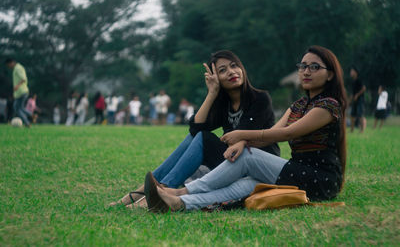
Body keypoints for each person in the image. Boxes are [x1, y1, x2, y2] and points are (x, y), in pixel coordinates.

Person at [144, 45, 348, 212]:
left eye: (314, 67)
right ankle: (180, 204)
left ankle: (179, 192)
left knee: (247, 156)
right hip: (294, 172)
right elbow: (268, 138)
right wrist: (242, 140)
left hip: (320, 180)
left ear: (330, 75)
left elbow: (286, 133)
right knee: (246, 186)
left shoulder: (328, 105)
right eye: (303, 66)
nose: (306, 71)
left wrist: (242, 136)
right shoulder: (298, 106)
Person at [109, 50, 280, 208]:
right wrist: (212, 93)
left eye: (234, 66)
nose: (231, 72)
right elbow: (194, 128)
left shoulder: (260, 98)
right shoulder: (224, 105)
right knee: (197, 136)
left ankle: (163, 191)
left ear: (242, 68)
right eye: (222, 70)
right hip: (233, 162)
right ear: (217, 78)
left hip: (257, 167)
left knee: (204, 138)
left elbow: (240, 135)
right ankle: (147, 189)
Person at [5, 58, 31, 127]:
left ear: (11, 63)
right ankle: (32, 115)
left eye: (8, 65)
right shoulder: (18, 68)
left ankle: (27, 123)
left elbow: (23, 78)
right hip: (21, 92)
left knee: (16, 108)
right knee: (21, 108)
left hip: (21, 91)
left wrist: (17, 86)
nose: (9, 67)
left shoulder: (18, 68)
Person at [350, 66, 366, 133]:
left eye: (352, 71)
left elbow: (364, 88)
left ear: (355, 72)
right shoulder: (353, 81)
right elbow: (353, 93)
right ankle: (352, 130)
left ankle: (362, 130)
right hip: (355, 100)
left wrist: (357, 95)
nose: (350, 73)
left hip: (360, 100)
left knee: (360, 115)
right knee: (352, 115)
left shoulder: (359, 80)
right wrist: (350, 99)